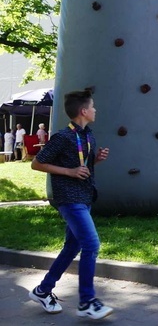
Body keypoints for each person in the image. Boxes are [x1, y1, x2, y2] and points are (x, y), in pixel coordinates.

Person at [28, 89, 113, 320]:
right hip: (69, 198)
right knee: (92, 244)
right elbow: (36, 163)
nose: (96, 110)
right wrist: (69, 171)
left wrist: (97, 159)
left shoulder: (88, 136)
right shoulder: (62, 137)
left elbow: (82, 163)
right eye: (93, 107)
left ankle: (43, 290)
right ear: (83, 111)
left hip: (85, 197)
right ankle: (87, 301)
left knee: (72, 247)